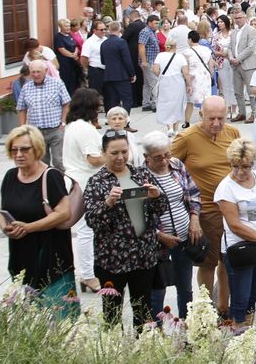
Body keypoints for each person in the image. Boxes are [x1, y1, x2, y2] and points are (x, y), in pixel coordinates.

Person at [83, 129, 168, 328]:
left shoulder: (141, 173)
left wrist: (156, 197)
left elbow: (160, 209)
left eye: (124, 151)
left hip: (143, 256)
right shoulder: (97, 182)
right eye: (114, 153)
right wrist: (108, 203)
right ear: (104, 153)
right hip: (112, 259)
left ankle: (143, 349)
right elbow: (91, 220)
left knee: (143, 310)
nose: (120, 157)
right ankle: (115, 351)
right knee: (112, 312)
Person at [171, 96, 241, 316]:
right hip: (206, 210)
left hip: (231, 209)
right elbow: (169, 167)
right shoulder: (186, 138)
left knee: (228, 260)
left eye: (221, 118)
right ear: (201, 115)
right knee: (208, 262)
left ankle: (223, 306)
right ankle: (205, 309)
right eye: (211, 118)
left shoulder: (232, 134)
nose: (217, 123)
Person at [0, 125, 77, 317]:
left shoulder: (51, 176)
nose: (19, 154)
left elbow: (63, 213)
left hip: (52, 257)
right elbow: (2, 212)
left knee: (60, 319)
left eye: (25, 149)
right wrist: (5, 228)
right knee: (29, 319)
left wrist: (29, 228)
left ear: (37, 149)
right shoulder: (10, 176)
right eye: (14, 149)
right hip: (21, 256)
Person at [215, 137, 256, 327]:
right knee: (240, 298)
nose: (240, 172)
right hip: (240, 249)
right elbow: (234, 225)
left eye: (245, 167)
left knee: (254, 293)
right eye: (235, 166)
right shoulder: (225, 188)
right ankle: (238, 333)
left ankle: (247, 330)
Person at [141, 131, 202, 320]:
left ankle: (186, 327)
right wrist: (159, 234)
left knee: (185, 288)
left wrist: (194, 219)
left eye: (167, 154)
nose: (165, 160)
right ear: (146, 157)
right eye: (158, 157)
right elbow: (138, 215)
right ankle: (156, 333)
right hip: (158, 243)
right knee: (157, 291)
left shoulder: (177, 166)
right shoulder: (140, 177)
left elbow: (193, 193)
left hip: (185, 237)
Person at [60, 88, 104, 294]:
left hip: (75, 179)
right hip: (85, 182)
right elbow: (93, 160)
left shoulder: (73, 126)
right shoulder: (84, 129)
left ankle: (90, 271)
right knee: (87, 230)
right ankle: (88, 275)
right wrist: (115, 156)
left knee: (88, 230)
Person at [152, 39, 191, 136]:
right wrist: (189, 84)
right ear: (175, 46)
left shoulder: (160, 56)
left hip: (165, 81)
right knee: (177, 104)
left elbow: (156, 70)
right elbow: (186, 72)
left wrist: (160, 74)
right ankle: (176, 128)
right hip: (178, 81)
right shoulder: (180, 57)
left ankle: (169, 127)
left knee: (165, 104)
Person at [99, 22, 135, 113]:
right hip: (121, 75)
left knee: (113, 101)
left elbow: (102, 61)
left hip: (109, 75)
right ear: (120, 29)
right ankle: (125, 122)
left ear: (109, 30)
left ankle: (114, 122)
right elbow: (127, 60)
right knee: (127, 99)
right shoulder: (121, 42)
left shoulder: (104, 43)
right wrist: (132, 73)